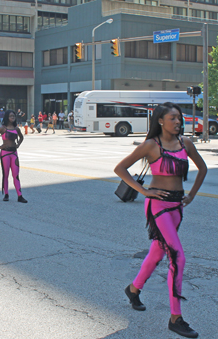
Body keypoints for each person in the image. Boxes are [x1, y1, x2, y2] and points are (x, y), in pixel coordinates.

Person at [114, 103, 207, 339]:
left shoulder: (185, 143)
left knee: (157, 253)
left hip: (177, 206)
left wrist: (192, 195)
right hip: (157, 206)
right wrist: (144, 192)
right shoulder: (150, 146)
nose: (178, 122)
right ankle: (176, 317)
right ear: (161, 121)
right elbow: (120, 168)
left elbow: (203, 169)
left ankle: (133, 289)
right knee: (177, 256)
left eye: (179, 118)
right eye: (173, 118)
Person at [0, 110, 28, 203]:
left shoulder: (16, 128)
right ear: (7, 117)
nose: (12, 117)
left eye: (13, 116)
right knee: (5, 174)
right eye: (10, 116)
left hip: (14, 153)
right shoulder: (2, 128)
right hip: (4, 153)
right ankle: (6, 194)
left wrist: (18, 145)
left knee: (16, 175)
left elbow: (21, 137)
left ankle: (20, 195)